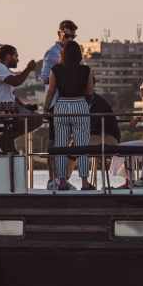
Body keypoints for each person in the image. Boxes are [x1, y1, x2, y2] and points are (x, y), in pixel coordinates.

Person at [44, 40, 95, 190]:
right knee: (82, 147)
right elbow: (90, 92)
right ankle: (85, 182)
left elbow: (51, 91)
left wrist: (46, 108)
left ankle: (61, 181)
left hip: (62, 106)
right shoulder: (86, 70)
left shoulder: (56, 69)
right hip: (80, 105)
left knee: (61, 145)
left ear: (63, 54)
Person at [0, 44, 38, 154]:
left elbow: (11, 95)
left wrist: (24, 106)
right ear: (8, 57)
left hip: (7, 109)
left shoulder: (3, 70)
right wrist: (28, 69)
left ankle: (7, 139)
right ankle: (6, 138)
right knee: (37, 119)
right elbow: (16, 82)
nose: (18, 59)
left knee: (34, 117)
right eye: (16, 56)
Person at [36, 20, 78, 102]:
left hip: (70, 99)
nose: (70, 39)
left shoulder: (75, 52)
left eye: (73, 37)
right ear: (59, 34)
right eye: (67, 36)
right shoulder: (52, 52)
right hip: (56, 99)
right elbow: (45, 78)